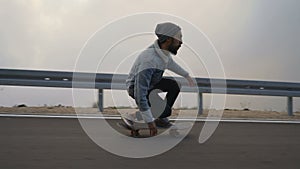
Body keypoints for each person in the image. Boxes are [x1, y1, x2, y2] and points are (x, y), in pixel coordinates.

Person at [126, 22, 195, 136]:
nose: (181, 42)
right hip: (136, 88)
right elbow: (140, 94)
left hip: (152, 83)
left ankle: (160, 117)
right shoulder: (149, 60)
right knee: (166, 111)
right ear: (168, 40)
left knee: (175, 85)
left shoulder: (163, 52)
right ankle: (135, 117)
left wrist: (186, 75)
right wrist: (150, 123)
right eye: (179, 38)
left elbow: (171, 64)